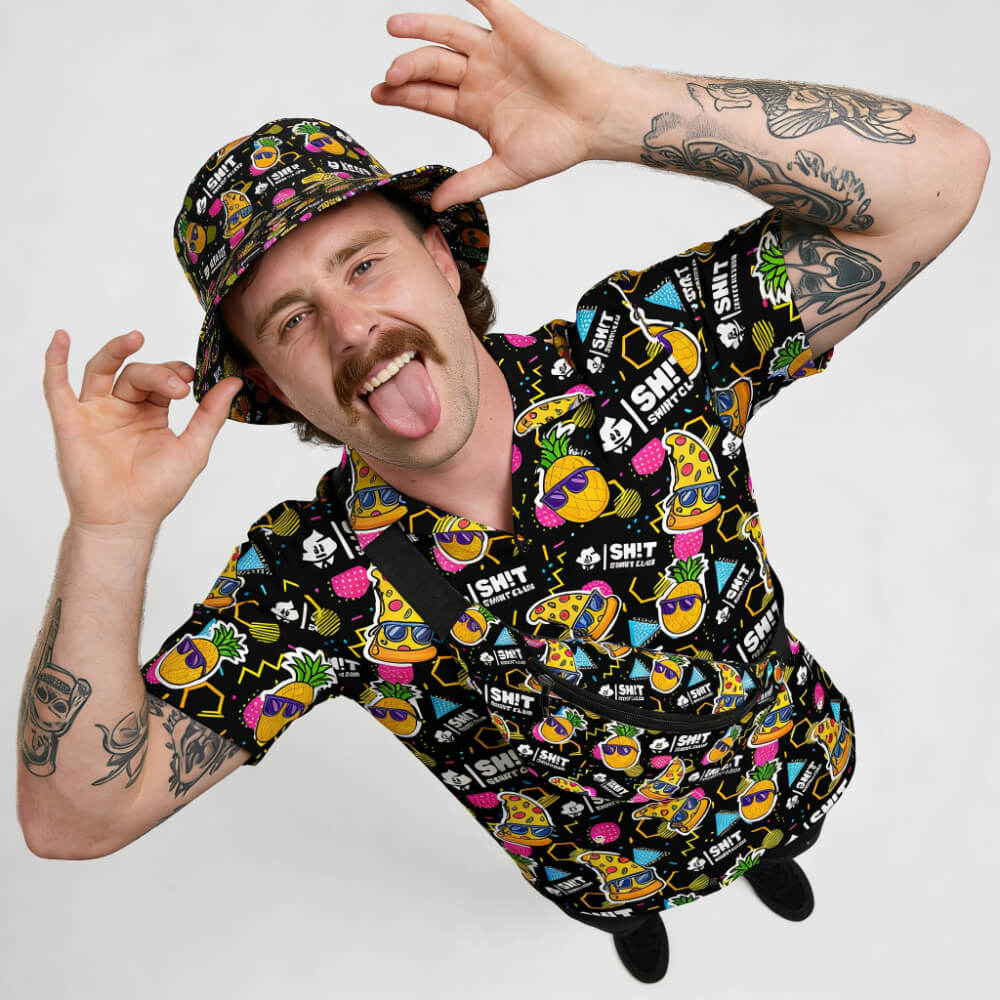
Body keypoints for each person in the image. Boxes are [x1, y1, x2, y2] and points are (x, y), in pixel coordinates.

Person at [17, 0, 988, 985]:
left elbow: (938, 178)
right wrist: (110, 527)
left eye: (365, 264)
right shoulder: (305, 586)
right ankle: (635, 922)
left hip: (787, 761)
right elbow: (71, 820)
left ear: (440, 256)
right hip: (598, 865)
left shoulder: (652, 358)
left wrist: (615, 110)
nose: (352, 328)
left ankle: (774, 855)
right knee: (631, 918)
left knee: (783, 842)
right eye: (293, 319)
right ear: (269, 384)